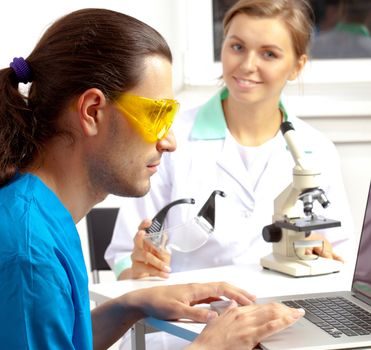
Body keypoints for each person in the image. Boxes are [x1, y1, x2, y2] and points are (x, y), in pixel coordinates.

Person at [0, 7, 306, 350]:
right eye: (156, 115)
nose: (169, 141)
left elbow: (65, 339)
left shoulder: (40, 215)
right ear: (92, 112)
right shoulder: (28, 252)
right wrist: (210, 346)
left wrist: (132, 305)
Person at [106, 0, 353, 280]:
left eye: (269, 54)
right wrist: (139, 266)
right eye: (237, 47)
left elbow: (340, 257)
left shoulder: (316, 149)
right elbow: (125, 257)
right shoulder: (169, 138)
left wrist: (323, 253)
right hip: (192, 317)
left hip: (287, 315)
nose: (247, 65)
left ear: (297, 66)